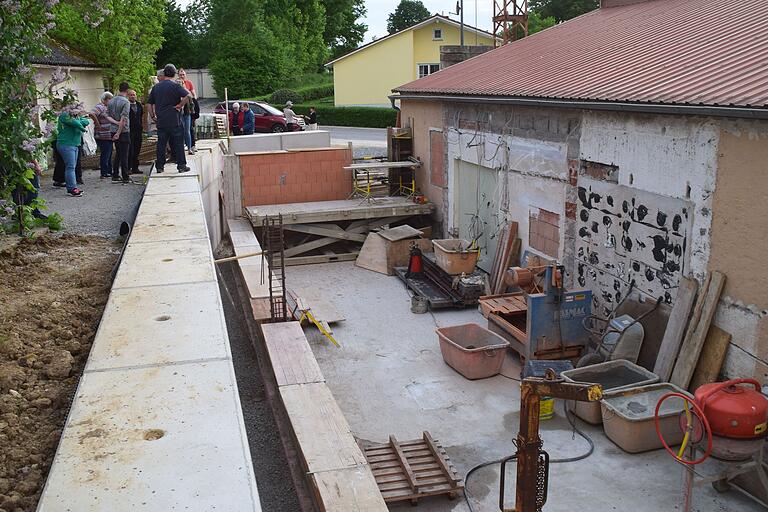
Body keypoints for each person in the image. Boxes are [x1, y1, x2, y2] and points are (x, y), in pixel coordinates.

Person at [146, 63, 191, 174]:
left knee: (161, 144)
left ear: (164, 73)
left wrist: (153, 116)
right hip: (174, 120)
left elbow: (149, 104)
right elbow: (188, 96)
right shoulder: (175, 86)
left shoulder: (156, 87)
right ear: (174, 74)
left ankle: (160, 167)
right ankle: (181, 166)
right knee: (178, 143)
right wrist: (180, 106)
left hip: (161, 121)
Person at [56, 104, 89, 197]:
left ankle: (73, 187)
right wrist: (81, 127)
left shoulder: (76, 116)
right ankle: (72, 188)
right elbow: (76, 123)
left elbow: (86, 121)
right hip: (66, 144)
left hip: (74, 144)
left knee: (72, 167)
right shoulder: (64, 115)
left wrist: (79, 119)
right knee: (70, 167)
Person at [108, 82, 131, 183]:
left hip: (112, 129)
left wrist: (115, 123)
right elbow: (124, 118)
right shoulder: (126, 102)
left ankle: (115, 173)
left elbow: (107, 116)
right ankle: (125, 176)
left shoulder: (111, 101)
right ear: (127, 90)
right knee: (124, 154)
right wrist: (119, 131)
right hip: (123, 130)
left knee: (118, 152)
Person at [91, 91, 115, 179]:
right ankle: (104, 172)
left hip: (109, 135)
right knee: (105, 153)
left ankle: (109, 171)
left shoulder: (108, 107)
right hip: (102, 135)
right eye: (110, 99)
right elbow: (91, 114)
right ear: (105, 99)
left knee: (109, 153)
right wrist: (98, 124)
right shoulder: (99, 107)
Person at [178, 68, 196, 154]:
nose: (182, 76)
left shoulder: (189, 84)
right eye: (180, 75)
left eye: (183, 75)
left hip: (187, 111)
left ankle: (190, 147)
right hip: (178, 112)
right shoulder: (176, 87)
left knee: (188, 130)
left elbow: (193, 96)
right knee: (180, 131)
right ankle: (182, 148)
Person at [127, 89, 144, 175]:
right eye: (131, 95)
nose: (133, 96)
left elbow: (141, 116)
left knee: (137, 148)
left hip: (138, 130)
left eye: (134, 95)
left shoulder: (139, 105)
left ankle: (135, 167)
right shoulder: (126, 105)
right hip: (129, 130)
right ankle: (128, 167)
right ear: (128, 96)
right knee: (130, 149)